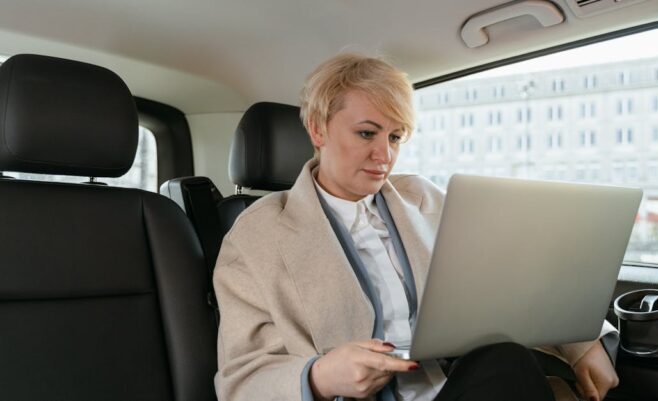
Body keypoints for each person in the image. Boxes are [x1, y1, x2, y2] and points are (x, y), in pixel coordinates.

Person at [213, 53, 620, 401]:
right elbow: (239, 379)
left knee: (506, 360)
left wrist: (582, 346)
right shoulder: (257, 235)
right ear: (318, 129)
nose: (384, 154)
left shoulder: (422, 198)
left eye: (396, 136)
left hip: (456, 386)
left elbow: (507, 282)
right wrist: (320, 376)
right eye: (367, 133)